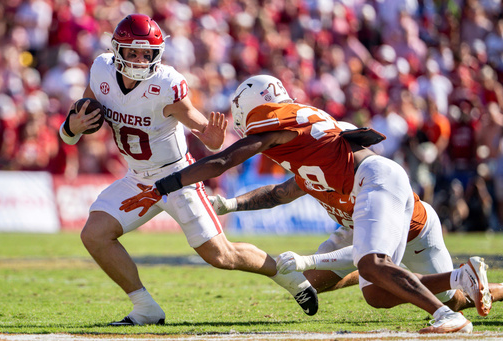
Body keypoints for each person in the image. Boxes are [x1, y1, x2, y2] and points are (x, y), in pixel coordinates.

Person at [121, 74, 491, 333]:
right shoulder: (304, 138)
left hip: (374, 185)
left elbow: (225, 159)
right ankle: (465, 280)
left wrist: (168, 182)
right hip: (363, 198)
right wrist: (228, 205)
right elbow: (280, 193)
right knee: (373, 291)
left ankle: (445, 317)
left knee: (372, 264)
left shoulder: (273, 117)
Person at [59, 15, 318, 326]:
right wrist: (69, 127)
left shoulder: (165, 84)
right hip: (137, 178)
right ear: (117, 50)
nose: (141, 60)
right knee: (94, 234)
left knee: (221, 256)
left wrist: (213, 138)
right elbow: (77, 123)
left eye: (147, 53)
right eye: (133, 52)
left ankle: (286, 274)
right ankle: (145, 309)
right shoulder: (101, 70)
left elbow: (203, 130)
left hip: (177, 178)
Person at [207, 173, 502, 314]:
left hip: (414, 235)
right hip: (361, 229)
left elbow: (368, 252)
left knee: (453, 299)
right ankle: (396, 273)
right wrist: (229, 204)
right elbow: (279, 192)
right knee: (313, 281)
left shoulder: (369, 181)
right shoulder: (317, 169)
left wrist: (308, 259)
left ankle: (461, 277)